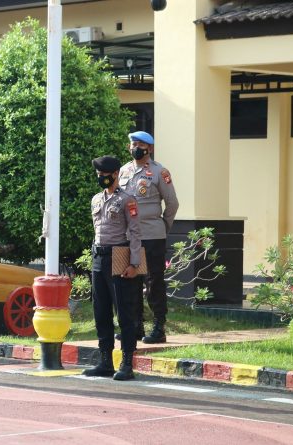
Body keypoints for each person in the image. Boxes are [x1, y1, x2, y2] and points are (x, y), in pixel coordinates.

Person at [83, 155, 142, 381]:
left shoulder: (128, 200)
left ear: (115, 174)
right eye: (98, 175)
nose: (101, 178)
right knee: (101, 311)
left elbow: (135, 233)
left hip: (119, 256)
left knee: (124, 312)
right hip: (99, 257)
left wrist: (134, 263)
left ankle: (127, 362)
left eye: (104, 175)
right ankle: (105, 361)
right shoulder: (96, 199)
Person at [119, 131, 179, 344]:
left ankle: (158, 327)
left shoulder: (159, 172)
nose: (136, 147)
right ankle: (136, 326)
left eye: (141, 145)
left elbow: (172, 204)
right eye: (134, 144)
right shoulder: (124, 171)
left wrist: (163, 226)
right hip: (129, 236)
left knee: (153, 281)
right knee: (130, 280)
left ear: (150, 149)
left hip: (152, 235)